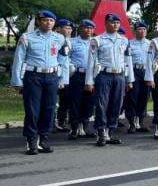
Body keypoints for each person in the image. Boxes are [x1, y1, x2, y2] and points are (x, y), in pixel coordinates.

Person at [11, 10, 70, 155]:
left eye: (51, 21)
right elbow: (18, 60)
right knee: (32, 110)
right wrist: (17, 80)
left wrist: (63, 78)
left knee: (49, 109)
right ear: (38, 21)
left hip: (52, 77)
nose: (48, 23)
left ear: (54, 23)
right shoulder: (27, 38)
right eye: (45, 20)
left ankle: (43, 140)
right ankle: (31, 141)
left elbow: (64, 59)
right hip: (33, 76)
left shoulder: (60, 39)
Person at [86, 13, 134, 146]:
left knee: (116, 104)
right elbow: (91, 61)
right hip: (103, 75)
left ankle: (109, 132)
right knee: (102, 104)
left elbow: (128, 60)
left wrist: (130, 79)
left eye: (117, 23)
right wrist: (89, 81)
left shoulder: (124, 40)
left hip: (119, 76)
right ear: (106, 23)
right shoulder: (97, 40)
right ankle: (101, 132)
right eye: (113, 22)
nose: (115, 25)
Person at [67, 19, 96, 140]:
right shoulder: (72, 42)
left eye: (90, 28)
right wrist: (70, 68)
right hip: (77, 75)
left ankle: (85, 126)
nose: (88, 30)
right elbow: (65, 57)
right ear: (80, 29)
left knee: (89, 102)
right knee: (75, 102)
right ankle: (74, 128)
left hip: (92, 76)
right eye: (86, 28)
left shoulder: (95, 42)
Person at [124, 21, 151, 134]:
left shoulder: (150, 43)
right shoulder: (129, 43)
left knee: (144, 97)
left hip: (146, 71)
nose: (142, 31)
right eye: (140, 29)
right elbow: (125, 60)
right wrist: (127, 78)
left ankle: (140, 121)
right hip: (133, 71)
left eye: (144, 29)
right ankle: (131, 123)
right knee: (132, 97)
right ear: (135, 31)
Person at [54, 18, 73, 133]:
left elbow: (66, 59)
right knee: (53, 101)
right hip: (56, 76)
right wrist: (60, 78)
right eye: (66, 28)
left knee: (64, 101)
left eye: (70, 28)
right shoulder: (56, 40)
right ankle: (53, 122)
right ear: (58, 29)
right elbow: (58, 60)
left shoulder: (68, 41)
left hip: (66, 76)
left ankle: (60, 122)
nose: (69, 30)